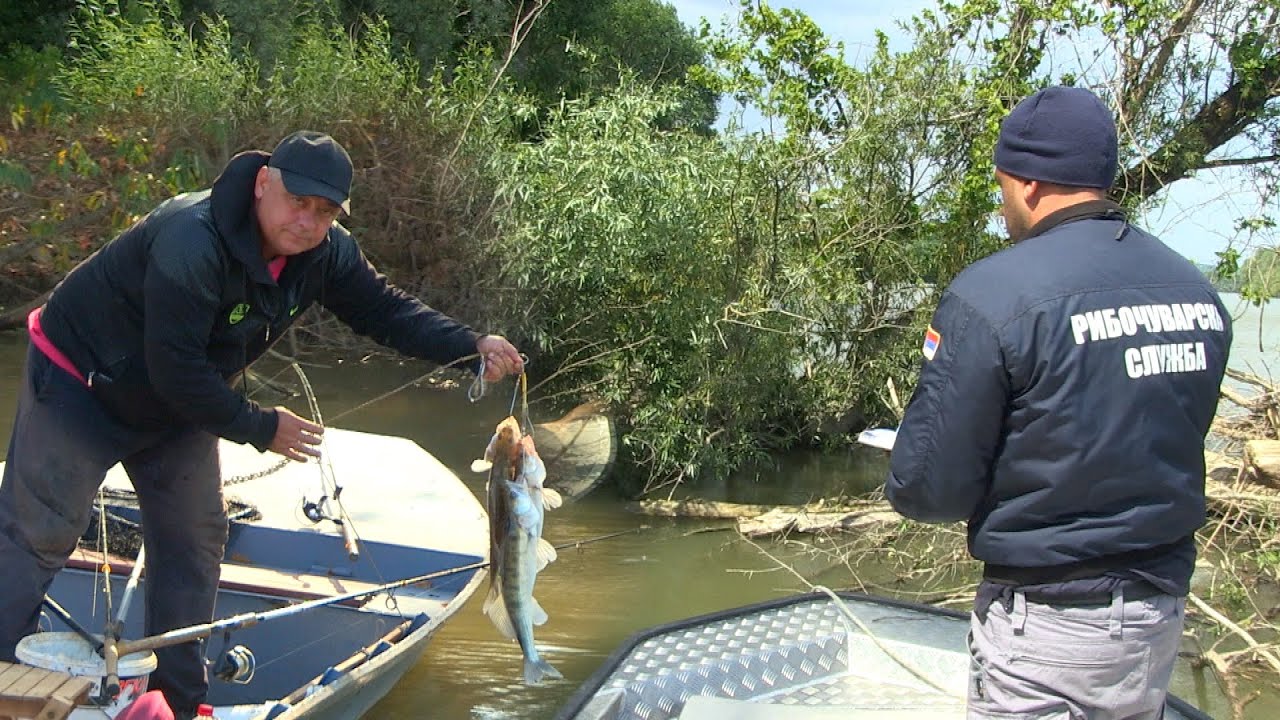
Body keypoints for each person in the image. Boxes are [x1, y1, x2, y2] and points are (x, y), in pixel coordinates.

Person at [0, 131, 524, 718]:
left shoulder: (327, 253)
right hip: (80, 382)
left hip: (179, 403)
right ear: (262, 183)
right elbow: (175, 369)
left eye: (325, 211)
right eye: (298, 202)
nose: (307, 221)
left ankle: (175, 703)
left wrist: (469, 345)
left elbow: (384, 310)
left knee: (195, 539)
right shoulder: (191, 239)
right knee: (39, 533)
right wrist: (260, 425)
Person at [884, 87, 1232, 719]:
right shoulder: (1197, 292)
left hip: (1044, 630)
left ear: (1027, 183)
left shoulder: (992, 295)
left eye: (1001, 187)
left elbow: (928, 491)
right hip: (1157, 620)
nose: (1002, 207)